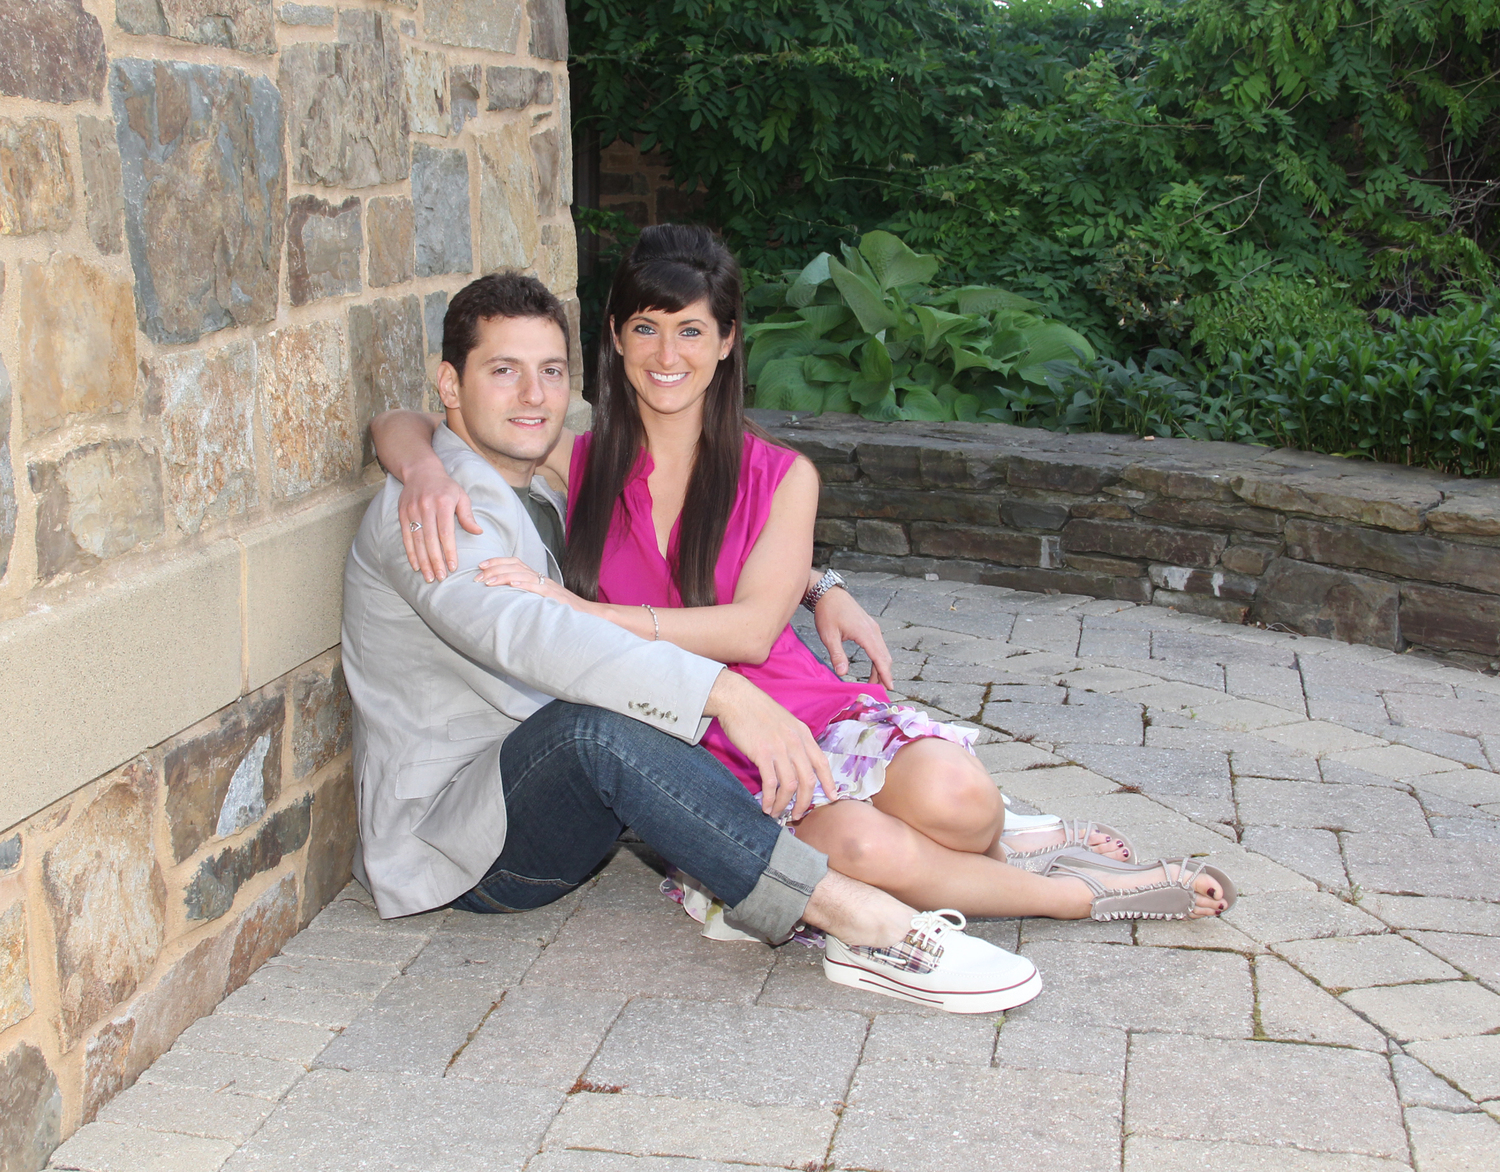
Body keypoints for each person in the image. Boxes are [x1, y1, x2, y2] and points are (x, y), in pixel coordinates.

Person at [376, 229, 1236, 934]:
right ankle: (1084, 893)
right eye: (645, 328)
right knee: (863, 852)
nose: (667, 354)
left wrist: (592, 611)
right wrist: (421, 469)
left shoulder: (782, 474)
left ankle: (1001, 844)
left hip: (791, 706)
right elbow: (407, 418)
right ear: (616, 338)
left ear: (727, 342)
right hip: (685, 743)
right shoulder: (577, 459)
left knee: (961, 800)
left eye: (691, 330)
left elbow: (752, 632)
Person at [345, 270, 1042, 1013]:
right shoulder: (433, 515)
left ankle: (941, 843)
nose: (533, 395)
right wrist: (723, 692)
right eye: (503, 371)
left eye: (549, 371)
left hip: (543, 796)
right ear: (451, 385)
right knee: (599, 728)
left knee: (622, 715)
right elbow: (528, 632)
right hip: (464, 843)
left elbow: (685, 548)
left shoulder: (540, 476)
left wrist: (816, 584)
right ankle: (862, 922)